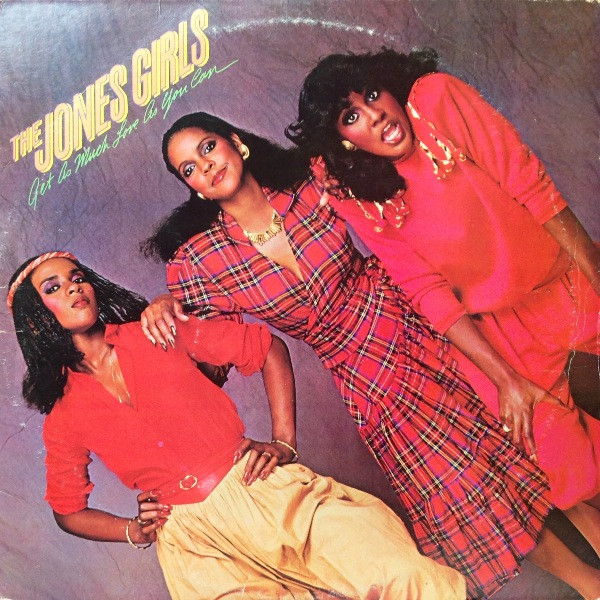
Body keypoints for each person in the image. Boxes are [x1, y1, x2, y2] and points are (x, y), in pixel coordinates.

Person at [140, 111, 600, 599]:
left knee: (527, 440)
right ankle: (590, 585)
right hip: (369, 382)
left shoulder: (313, 180)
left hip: (420, 327)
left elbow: (405, 212)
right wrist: (167, 306)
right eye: (190, 169)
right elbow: (210, 359)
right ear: (193, 189)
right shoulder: (199, 261)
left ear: (236, 142)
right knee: (473, 488)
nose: (206, 167)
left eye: (208, 148)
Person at [8, 251, 470, 600]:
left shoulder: (155, 331)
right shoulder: (63, 416)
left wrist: (284, 441)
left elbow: (266, 349)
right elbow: (68, 510)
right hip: (195, 547)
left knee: (403, 576)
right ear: (36, 317)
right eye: (54, 287)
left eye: (78, 278)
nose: (75, 289)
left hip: (261, 491)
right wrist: (133, 530)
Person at [286, 47, 600, 544]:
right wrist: (506, 381)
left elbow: (533, 186)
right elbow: (425, 289)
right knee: (563, 466)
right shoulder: (352, 190)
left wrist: (597, 277)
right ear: (343, 139)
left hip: (566, 288)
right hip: (500, 338)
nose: (375, 116)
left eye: (373, 95)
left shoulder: (436, 101)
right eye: (352, 116)